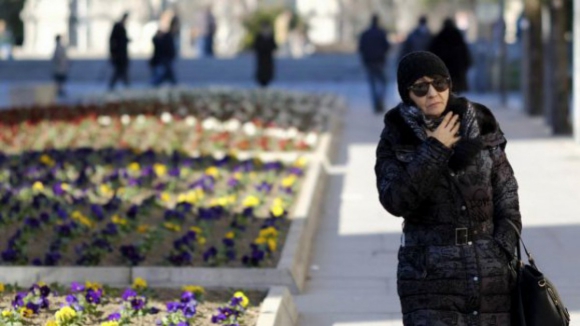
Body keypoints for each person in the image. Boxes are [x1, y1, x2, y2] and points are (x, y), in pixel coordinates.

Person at [375, 51, 521, 325]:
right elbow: (396, 200)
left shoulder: (481, 121)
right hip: (428, 276)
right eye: (421, 87)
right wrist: (435, 148)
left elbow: (507, 195)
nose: (433, 93)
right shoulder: (397, 134)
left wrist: (501, 251)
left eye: (439, 83)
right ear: (408, 94)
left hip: (488, 272)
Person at [428, 18, 472, 93]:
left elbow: (432, 51)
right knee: (456, 87)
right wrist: (466, 63)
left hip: (443, 67)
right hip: (456, 67)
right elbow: (464, 52)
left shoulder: (440, 36)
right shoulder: (457, 36)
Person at [358, 14, 391, 114]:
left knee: (373, 84)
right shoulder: (381, 33)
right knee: (383, 82)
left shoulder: (365, 34)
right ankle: (379, 100)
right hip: (380, 61)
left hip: (369, 61)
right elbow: (387, 46)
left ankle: (376, 103)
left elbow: (361, 48)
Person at [109, 12, 131, 90]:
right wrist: (112, 53)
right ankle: (125, 85)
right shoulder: (118, 27)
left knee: (121, 71)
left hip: (122, 54)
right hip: (119, 55)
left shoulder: (121, 27)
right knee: (119, 71)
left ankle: (126, 85)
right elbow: (113, 40)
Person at [253, 21, 277, 88]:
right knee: (262, 72)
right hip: (261, 59)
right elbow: (256, 47)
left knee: (267, 72)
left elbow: (274, 46)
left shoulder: (270, 37)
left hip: (268, 59)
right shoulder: (259, 37)